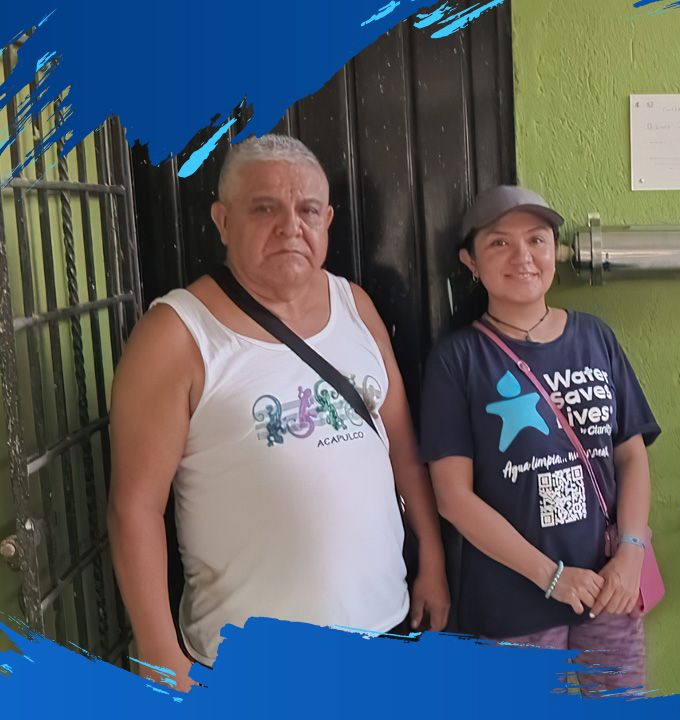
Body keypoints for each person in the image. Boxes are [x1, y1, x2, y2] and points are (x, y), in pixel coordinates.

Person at [107, 135, 450, 689]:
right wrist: (160, 655)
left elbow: (404, 453)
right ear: (223, 221)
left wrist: (431, 560)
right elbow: (134, 510)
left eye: (308, 210)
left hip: (384, 631)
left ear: (328, 221)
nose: (291, 226)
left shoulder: (356, 306)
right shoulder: (177, 335)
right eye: (265, 209)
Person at [419, 185, 660, 692]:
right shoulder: (456, 360)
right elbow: (453, 497)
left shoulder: (595, 338)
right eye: (499, 243)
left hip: (608, 586)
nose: (523, 256)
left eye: (536, 240)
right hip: (514, 601)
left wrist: (632, 551)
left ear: (555, 250)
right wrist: (552, 576)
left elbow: (631, 456)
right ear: (470, 261)